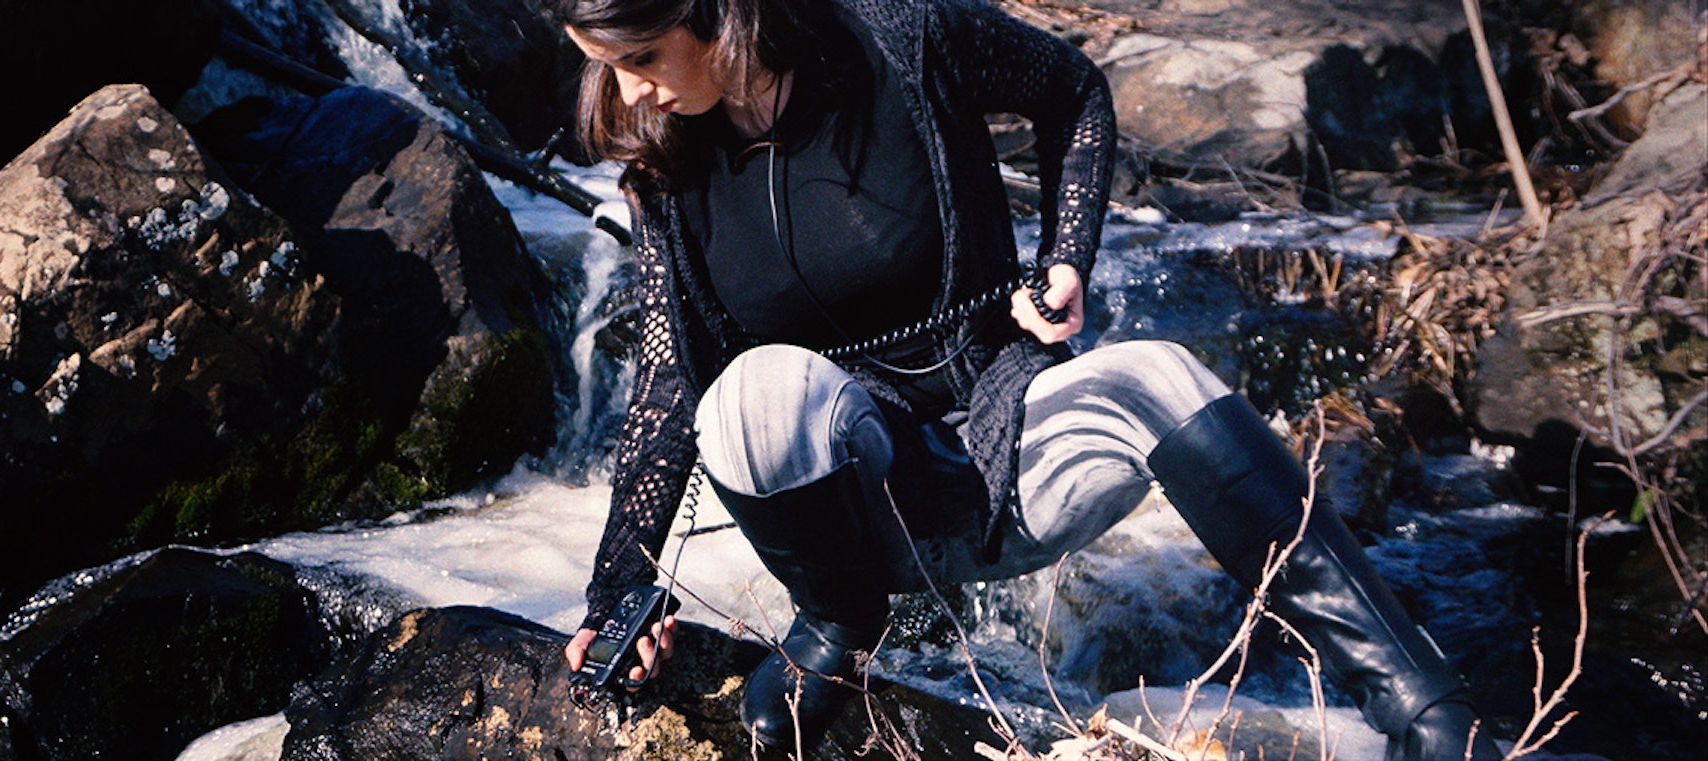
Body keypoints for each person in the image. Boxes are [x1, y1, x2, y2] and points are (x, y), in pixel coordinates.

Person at [529, 0, 1502, 757]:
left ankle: (1430, 715)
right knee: (751, 393)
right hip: (857, 519)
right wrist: (616, 594)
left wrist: (1066, 256)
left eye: (642, 56)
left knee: (1160, 372)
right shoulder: (665, 165)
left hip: (1006, 446)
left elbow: (1074, 90)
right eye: (606, 63)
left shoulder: (899, 33)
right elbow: (666, 390)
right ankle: (835, 631)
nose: (630, 92)